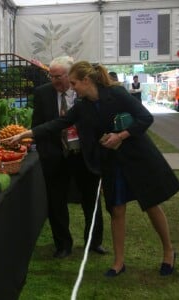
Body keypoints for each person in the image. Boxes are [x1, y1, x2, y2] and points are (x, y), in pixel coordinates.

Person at [1, 61, 179, 277]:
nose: (72, 86)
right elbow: (58, 124)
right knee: (116, 209)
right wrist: (24, 134)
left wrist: (120, 135)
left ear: (86, 80)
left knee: (152, 204)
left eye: (75, 82)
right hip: (112, 162)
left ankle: (169, 251)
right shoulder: (83, 105)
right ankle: (118, 262)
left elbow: (146, 118)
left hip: (137, 158)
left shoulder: (116, 94)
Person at [31, 56, 106, 259]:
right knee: (56, 202)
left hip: (83, 155)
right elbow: (37, 124)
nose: (55, 80)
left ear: (69, 75)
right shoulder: (42, 94)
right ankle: (63, 245)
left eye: (59, 76)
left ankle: (94, 242)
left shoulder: (83, 91)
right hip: (55, 157)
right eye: (51, 76)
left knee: (91, 200)